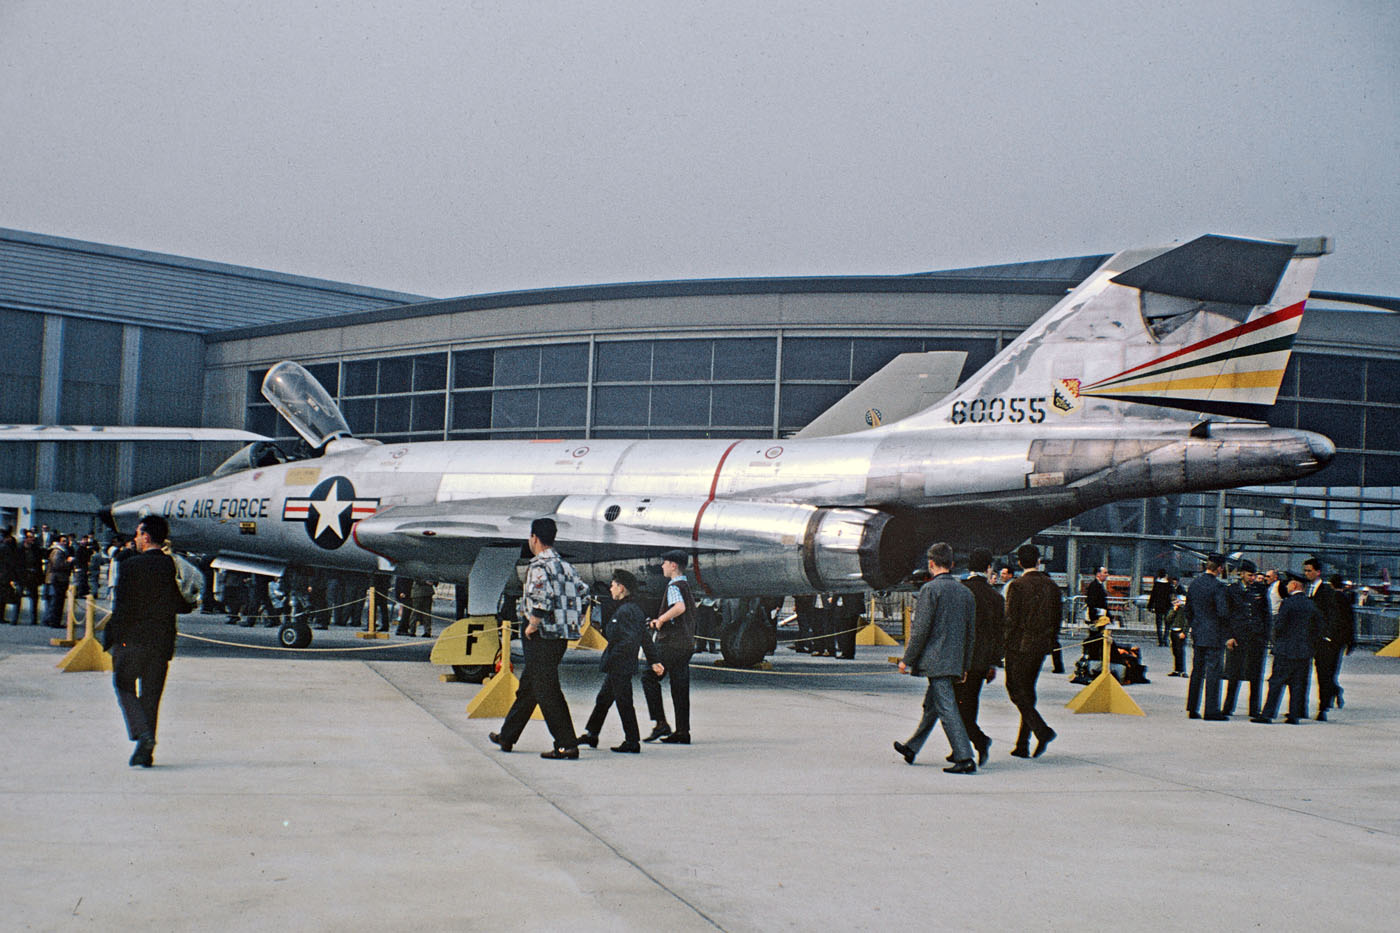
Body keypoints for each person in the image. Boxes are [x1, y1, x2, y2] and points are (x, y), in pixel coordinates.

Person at [490, 518, 582, 759]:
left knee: (546, 689)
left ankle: (566, 743)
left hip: (542, 634)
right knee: (529, 686)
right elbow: (582, 590)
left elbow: (541, 597)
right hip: (561, 634)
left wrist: (533, 624)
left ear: (534, 538)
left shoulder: (539, 565)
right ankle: (507, 736)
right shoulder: (566, 566)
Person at [103, 515, 186, 767]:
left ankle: (142, 734)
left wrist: (111, 637)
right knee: (152, 695)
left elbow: (122, 607)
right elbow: (177, 602)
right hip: (161, 643)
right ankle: (145, 752)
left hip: (133, 641)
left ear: (146, 537)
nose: (136, 539)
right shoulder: (169, 565)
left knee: (124, 685)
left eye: (138, 534)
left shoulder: (130, 566)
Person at [893, 542, 977, 773]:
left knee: (947, 709)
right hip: (954, 660)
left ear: (931, 564)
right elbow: (971, 634)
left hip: (936, 661)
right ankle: (912, 747)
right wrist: (965, 665)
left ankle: (964, 756)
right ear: (951, 564)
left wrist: (906, 659)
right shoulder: (965, 592)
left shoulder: (930, 591)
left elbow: (920, 631)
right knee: (932, 706)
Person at [579, 569, 661, 753]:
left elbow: (630, 640)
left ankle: (632, 741)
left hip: (619, 665)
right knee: (603, 699)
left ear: (621, 588)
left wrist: (615, 661)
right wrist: (654, 660)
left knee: (624, 702)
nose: (610, 589)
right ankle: (592, 733)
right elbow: (644, 637)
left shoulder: (626, 611)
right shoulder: (632, 609)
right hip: (618, 665)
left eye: (613, 585)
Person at [1002, 543, 1061, 758]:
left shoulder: (1017, 586)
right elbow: (1057, 619)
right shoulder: (1052, 586)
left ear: (1019, 562)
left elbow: (1010, 620)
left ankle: (1041, 730)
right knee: (1028, 691)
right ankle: (1022, 743)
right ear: (1038, 561)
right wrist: (1050, 642)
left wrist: (1003, 646)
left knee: (1015, 689)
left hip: (1019, 646)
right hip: (1040, 645)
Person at [956, 547, 1005, 765]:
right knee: (970, 703)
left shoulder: (961, 590)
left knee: (955, 705)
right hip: (981, 660)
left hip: (959, 658)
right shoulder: (995, 597)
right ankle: (964, 744)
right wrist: (994, 663)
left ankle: (978, 740)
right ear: (988, 568)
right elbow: (998, 633)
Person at [642, 549, 696, 744]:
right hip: (686, 643)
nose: (662, 566)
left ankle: (660, 722)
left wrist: (661, 620)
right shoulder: (686, 586)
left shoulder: (674, 585)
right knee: (679, 686)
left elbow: (679, 607)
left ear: (674, 565)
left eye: (665, 563)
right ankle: (683, 731)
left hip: (671, 643)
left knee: (649, 676)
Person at [1252, 576, 1321, 725]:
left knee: (1276, 682)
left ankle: (1268, 713)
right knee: (1298, 684)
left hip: (1286, 649)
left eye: (1288, 584)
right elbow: (1317, 628)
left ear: (1295, 585)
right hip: (1303, 651)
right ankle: (1294, 715)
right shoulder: (1311, 604)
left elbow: (1280, 625)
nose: (1287, 587)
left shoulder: (1288, 604)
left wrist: (1276, 640)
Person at [1185, 554, 1234, 721]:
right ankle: (1211, 710)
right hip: (1214, 634)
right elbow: (1222, 612)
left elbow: (1188, 610)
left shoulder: (1194, 584)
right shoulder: (1218, 587)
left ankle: (1192, 707)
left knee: (1197, 671)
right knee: (1213, 672)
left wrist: (1195, 625)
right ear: (1219, 568)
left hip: (1198, 633)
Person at [1222, 562, 1270, 719]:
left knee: (1255, 674)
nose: (1252, 578)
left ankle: (1254, 708)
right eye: (1249, 575)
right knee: (1234, 673)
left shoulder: (1260, 590)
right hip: (1238, 636)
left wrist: (1266, 636)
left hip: (1256, 637)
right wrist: (1228, 635)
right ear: (1241, 574)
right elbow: (1227, 615)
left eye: (1254, 575)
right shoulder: (1231, 590)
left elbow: (1266, 614)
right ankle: (1228, 707)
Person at [1303, 557, 1344, 720]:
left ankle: (1323, 707)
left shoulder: (1327, 592)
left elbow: (1333, 616)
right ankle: (1302, 706)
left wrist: (1328, 636)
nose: (1306, 574)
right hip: (1308, 639)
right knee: (1305, 673)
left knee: (1324, 674)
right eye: (1305, 571)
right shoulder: (1307, 590)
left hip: (1322, 640)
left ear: (1318, 572)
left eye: (1309, 571)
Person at [1326, 574, 1356, 711]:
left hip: (1331, 638)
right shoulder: (1346, 599)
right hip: (1340, 640)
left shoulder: (1332, 598)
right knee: (1333, 669)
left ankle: (1333, 693)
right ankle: (1333, 693)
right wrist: (1350, 641)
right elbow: (1350, 621)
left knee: (1327, 670)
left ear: (1332, 584)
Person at [1147, 569, 1174, 646]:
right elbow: (1173, 596)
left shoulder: (1156, 585)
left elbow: (1153, 596)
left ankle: (1160, 640)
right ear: (1166, 575)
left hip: (1158, 606)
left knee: (1159, 624)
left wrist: (1150, 606)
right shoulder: (1169, 585)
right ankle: (1165, 639)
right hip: (1167, 606)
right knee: (1167, 624)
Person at [1165, 595, 1189, 676]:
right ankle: (1176, 670)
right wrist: (1173, 611)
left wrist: (1184, 632)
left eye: (1178, 601)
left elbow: (1187, 621)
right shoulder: (1173, 610)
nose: (1176, 603)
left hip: (1180, 631)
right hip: (1173, 631)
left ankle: (1182, 670)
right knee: (1175, 651)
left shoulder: (1184, 610)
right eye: (1175, 602)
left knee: (1180, 651)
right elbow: (1168, 619)